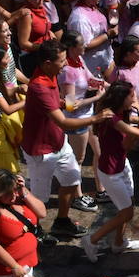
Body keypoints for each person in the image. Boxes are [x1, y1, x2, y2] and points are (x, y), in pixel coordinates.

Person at [21, 40, 107, 240]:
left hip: (59, 144)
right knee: (39, 198)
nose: (65, 64)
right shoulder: (39, 87)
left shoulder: (49, 75)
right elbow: (64, 123)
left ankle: (62, 221)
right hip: (41, 151)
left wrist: (64, 102)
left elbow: (56, 105)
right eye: (61, 61)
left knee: (71, 180)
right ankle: (35, 230)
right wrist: (96, 118)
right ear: (47, 63)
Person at [82, 81, 139, 261]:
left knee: (126, 206)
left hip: (122, 165)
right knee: (127, 213)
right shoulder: (112, 119)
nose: (134, 98)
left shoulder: (119, 113)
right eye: (131, 95)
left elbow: (132, 125)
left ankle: (119, 243)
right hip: (111, 173)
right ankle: (92, 239)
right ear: (123, 98)